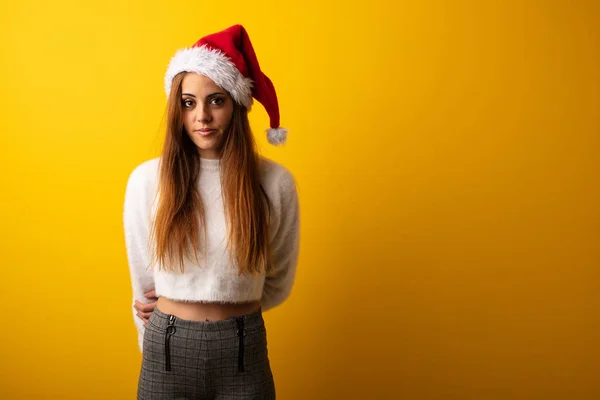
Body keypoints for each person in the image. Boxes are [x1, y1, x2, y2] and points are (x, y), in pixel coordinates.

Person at [123, 24, 300, 400]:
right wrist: (156, 337)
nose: (201, 115)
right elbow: (143, 279)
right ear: (177, 109)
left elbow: (279, 278)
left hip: (243, 348)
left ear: (236, 104)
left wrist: (233, 298)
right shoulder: (147, 180)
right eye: (188, 103)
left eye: (216, 100)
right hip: (166, 350)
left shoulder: (274, 182)